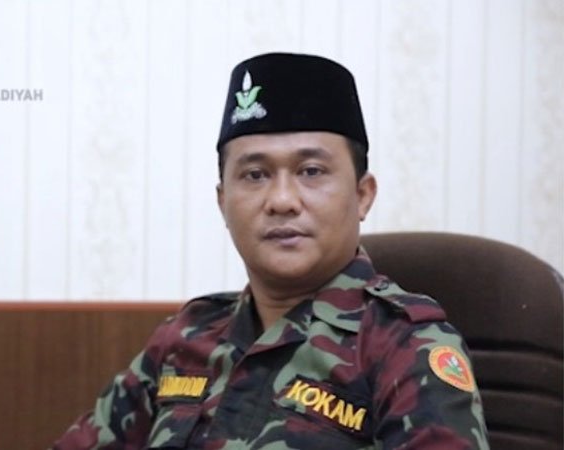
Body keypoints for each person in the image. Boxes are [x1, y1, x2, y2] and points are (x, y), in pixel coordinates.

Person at [52, 53, 489, 449]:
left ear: (362, 195)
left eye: (311, 171)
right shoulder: (187, 336)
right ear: (223, 201)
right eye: (256, 175)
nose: (281, 200)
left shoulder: (404, 346)